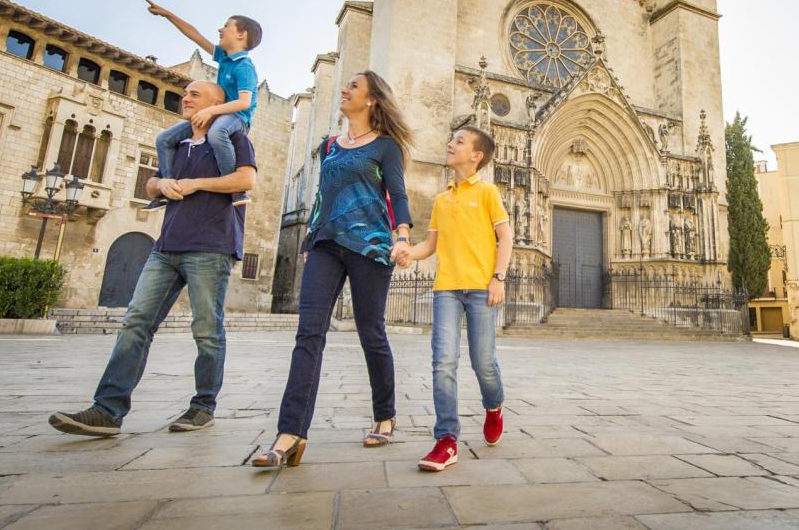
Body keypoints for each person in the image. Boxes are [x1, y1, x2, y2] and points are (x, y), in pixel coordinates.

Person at [49, 81, 257, 436]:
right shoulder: (175, 143)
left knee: (206, 330)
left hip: (211, 245)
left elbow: (245, 179)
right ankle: (108, 410)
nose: (185, 98)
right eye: (185, 93)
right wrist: (160, 186)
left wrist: (195, 184)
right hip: (166, 246)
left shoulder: (232, 136)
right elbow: (152, 183)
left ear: (217, 104)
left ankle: (203, 406)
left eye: (195, 94)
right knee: (136, 322)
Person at [251, 71, 413, 468]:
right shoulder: (329, 147)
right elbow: (322, 197)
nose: (345, 90)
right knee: (308, 333)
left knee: (371, 331)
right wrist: (309, 240)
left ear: (372, 99)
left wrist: (403, 236)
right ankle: (290, 433)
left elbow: (398, 193)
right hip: (325, 244)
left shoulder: (387, 148)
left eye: (353, 86)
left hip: (370, 247)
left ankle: (385, 415)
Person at [398, 125, 512, 472]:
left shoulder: (488, 192)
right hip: (446, 288)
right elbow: (430, 244)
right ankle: (446, 440)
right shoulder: (441, 199)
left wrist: (498, 278)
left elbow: (505, 238)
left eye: (459, 141)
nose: (450, 143)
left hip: (481, 288)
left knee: (483, 364)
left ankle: (494, 406)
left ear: (476, 156)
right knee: (443, 362)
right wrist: (408, 254)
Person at [144, 0, 260, 207]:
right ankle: (169, 185)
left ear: (241, 35)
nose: (220, 29)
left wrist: (210, 111)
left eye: (226, 26)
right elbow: (195, 35)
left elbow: (244, 103)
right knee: (164, 139)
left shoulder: (244, 67)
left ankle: (236, 190)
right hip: (219, 115)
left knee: (217, 133)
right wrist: (167, 14)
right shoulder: (224, 58)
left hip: (238, 117)